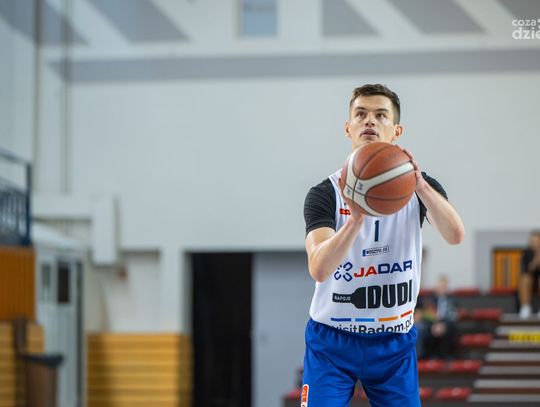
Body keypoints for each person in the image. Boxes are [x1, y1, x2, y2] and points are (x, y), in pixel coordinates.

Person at [301, 84, 465, 407]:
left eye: (380, 115)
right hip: (332, 340)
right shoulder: (325, 193)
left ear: (396, 130)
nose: (369, 121)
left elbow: (455, 235)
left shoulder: (420, 188)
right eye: (360, 114)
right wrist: (355, 220)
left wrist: (420, 186)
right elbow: (319, 268)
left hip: (394, 342)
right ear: (348, 127)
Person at [417, 275, 459, 359]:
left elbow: (453, 316)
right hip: (432, 324)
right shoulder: (430, 300)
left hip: (446, 324)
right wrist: (434, 325)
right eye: (440, 286)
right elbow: (426, 315)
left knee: (450, 329)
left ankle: (446, 357)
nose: (441, 289)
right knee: (423, 328)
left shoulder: (452, 300)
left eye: (444, 287)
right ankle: (426, 357)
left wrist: (443, 325)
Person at [518, 231, 540, 319]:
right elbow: (525, 270)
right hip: (530, 280)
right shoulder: (526, 253)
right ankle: (525, 307)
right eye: (533, 241)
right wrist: (535, 261)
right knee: (524, 279)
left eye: (537, 241)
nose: (535, 243)